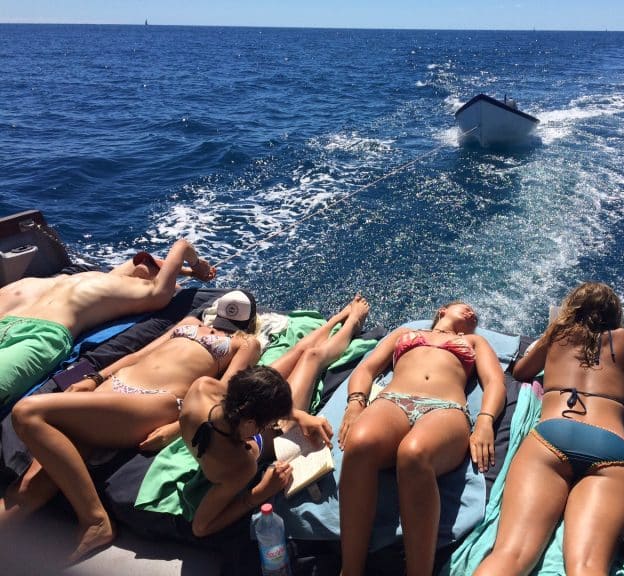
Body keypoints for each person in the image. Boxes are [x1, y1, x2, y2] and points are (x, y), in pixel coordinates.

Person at [3, 289, 257, 564]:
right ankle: (93, 524)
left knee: (28, 413)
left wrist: (177, 425)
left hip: (155, 400)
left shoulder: (245, 343)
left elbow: (223, 392)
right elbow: (139, 354)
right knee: (28, 486)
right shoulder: (190, 324)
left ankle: (95, 519)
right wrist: (95, 377)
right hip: (113, 389)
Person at [474, 282, 624, 576]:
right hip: (610, 446)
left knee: (512, 555)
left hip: (554, 434)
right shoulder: (623, 339)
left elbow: (522, 371)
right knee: (588, 566)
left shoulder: (557, 332)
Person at [179, 294, 370, 538]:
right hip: (250, 444)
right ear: (253, 424)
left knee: (300, 349)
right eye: (269, 421)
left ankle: (338, 318)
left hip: (237, 417)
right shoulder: (239, 465)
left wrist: (298, 415)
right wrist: (261, 492)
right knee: (311, 358)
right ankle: (352, 320)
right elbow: (201, 527)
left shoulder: (202, 389)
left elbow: (228, 403)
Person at [337, 301, 506, 576]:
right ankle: (350, 570)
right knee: (359, 443)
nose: (472, 313)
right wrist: (355, 403)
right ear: (441, 310)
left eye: (474, 314)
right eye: (464, 308)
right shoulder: (404, 333)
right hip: (393, 400)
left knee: (414, 454)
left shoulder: (476, 340)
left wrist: (485, 419)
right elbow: (367, 369)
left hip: (444, 407)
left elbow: (495, 382)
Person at [0, 238, 216, 408]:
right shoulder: (121, 286)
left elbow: (148, 261)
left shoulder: (78, 281)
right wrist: (197, 267)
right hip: (33, 329)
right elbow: (181, 246)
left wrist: (188, 270)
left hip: (21, 323)